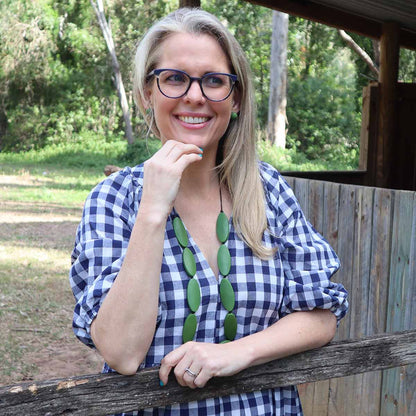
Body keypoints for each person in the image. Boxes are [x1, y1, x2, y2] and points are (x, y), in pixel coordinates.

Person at [69, 8, 348, 416]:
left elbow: (321, 317)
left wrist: (236, 353)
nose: (195, 96)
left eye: (214, 81)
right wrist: (152, 211)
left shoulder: (266, 190)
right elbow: (123, 353)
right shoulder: (113, 199)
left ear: (235, 99)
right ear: (148, 93)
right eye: (175, 78)